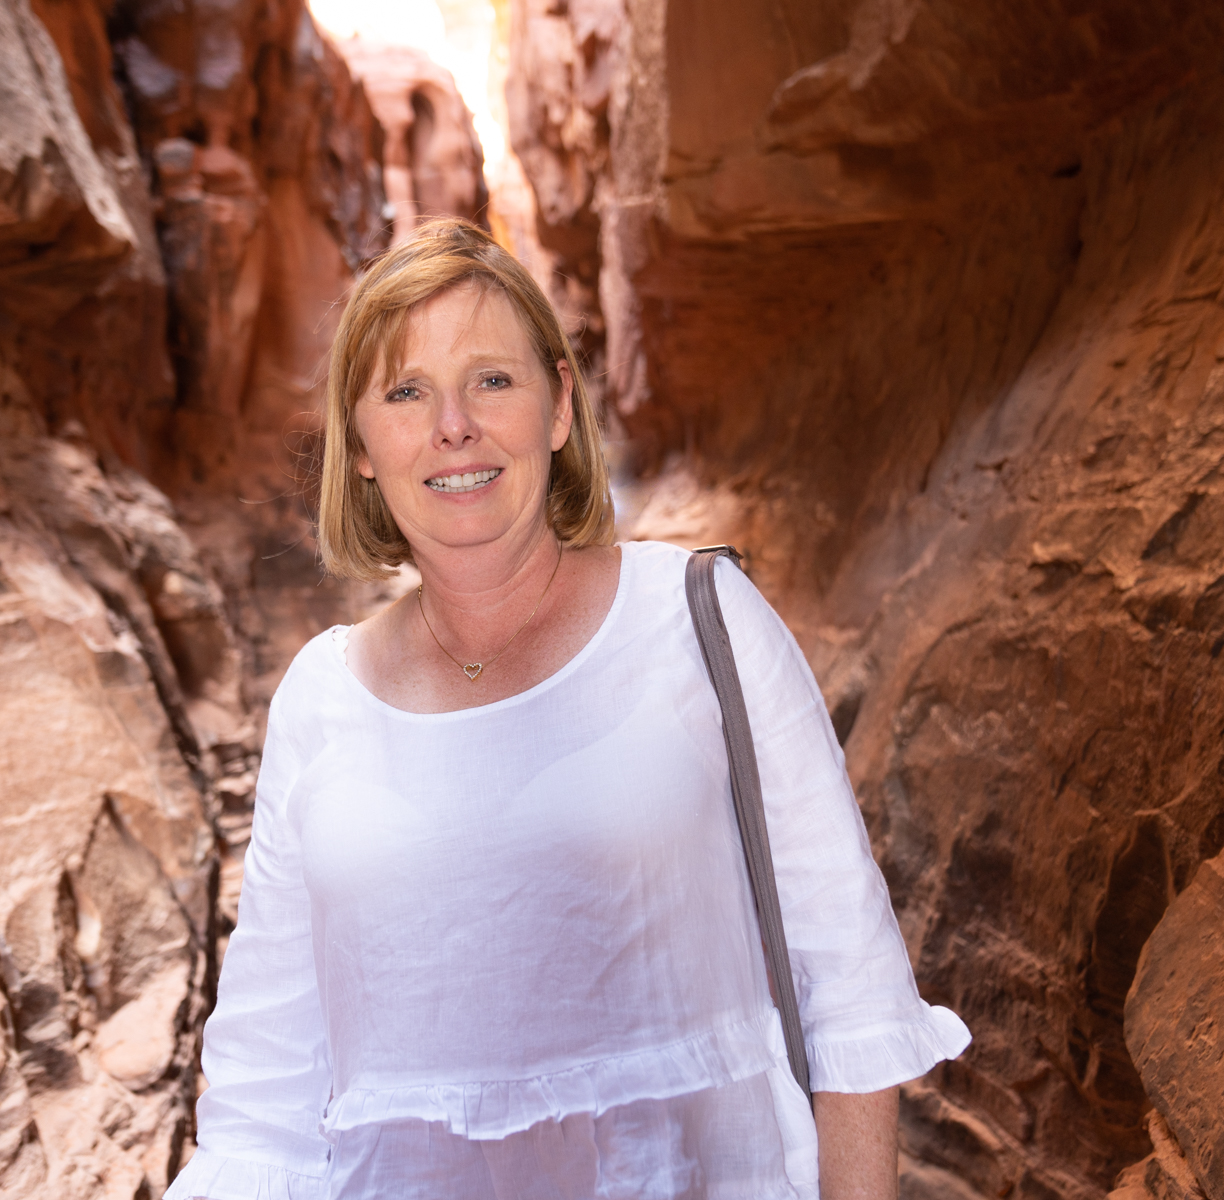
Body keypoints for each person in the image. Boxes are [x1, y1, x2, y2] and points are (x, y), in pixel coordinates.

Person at [166, 218, 970, 1200]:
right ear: (363, 446)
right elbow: (265, 1096)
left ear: (558, 407)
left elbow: (850, 998)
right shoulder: (319, 699)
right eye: (406, 392)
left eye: (491, 380)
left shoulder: (699, 619)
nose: (452, 425)